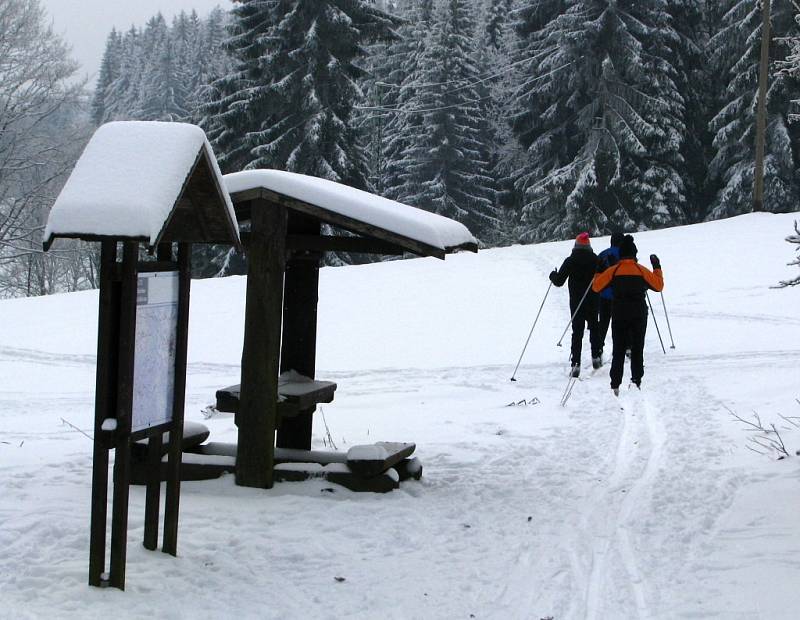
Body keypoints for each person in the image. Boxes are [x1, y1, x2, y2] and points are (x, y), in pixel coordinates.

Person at [592, 235, 663, 395]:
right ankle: (636, 380)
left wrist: (598, 270)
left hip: (619, 313)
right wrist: (657, 267)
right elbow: (658, 286)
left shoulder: (614, 270)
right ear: (634, 254)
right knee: (638, 348)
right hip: (639, 314)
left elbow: (596, 287)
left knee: (618, 349)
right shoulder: (640, 270)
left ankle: (615, 384)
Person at [549, 232, 603, 377]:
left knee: (577, 331)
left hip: (576, 301)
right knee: (594, 327)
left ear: (576, 245)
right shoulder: (596, 260)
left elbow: (559, 281)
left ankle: (576, 363)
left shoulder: (570, 260)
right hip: (593, 300)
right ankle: (596, 356)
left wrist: (552, 275)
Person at [596, 232, 625, 357]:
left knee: (603, 323)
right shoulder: (626, 255)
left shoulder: (603, 254)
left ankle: (598, 347)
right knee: (621, 323)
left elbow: (596, 272)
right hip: (621, 295)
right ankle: (626, 347)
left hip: (604, 294)